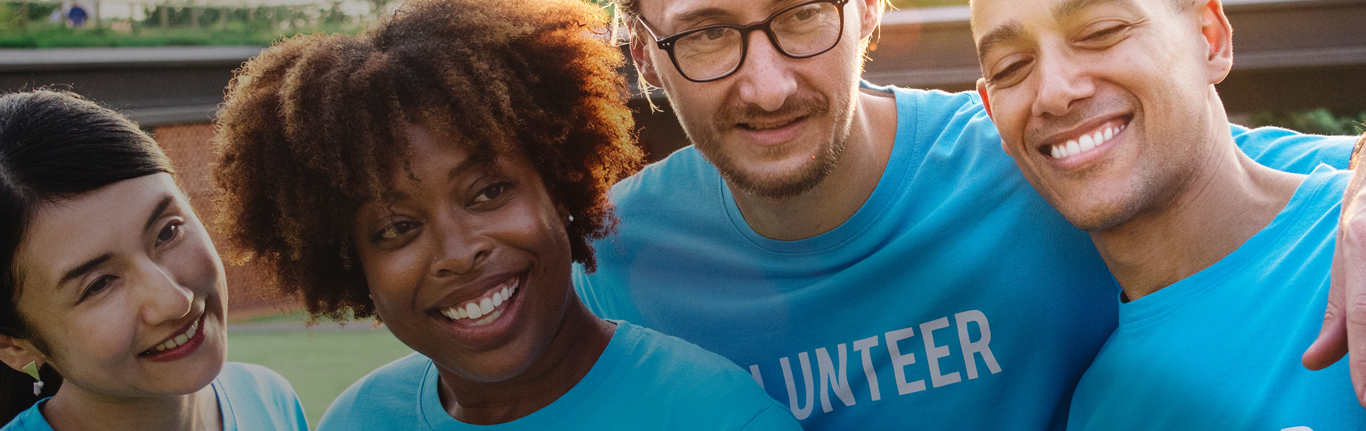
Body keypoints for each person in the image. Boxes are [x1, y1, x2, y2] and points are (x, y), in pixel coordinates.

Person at [573, 0, 1363, 429]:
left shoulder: (1032, 157)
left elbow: (1241, 174)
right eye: (708, 34)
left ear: (870, 10)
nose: (768, 84)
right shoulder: (607, 259)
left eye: (804, 12)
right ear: (646, 55)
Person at [210, 0, 802, 429]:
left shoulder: (718, 416)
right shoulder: (358, 421)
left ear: (561, 186)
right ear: (349, 265)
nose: (457, 250)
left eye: (489, 192)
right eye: (397, 228)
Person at [970, 0, 1366, 427]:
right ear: (993, 115)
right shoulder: (1097, 413)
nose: (1054, 92)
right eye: (1010, 67)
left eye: (1101, 32)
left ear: (1209, 39)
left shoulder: (1352, 247)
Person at [0, 90, 308, 431]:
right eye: (99, 284)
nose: (175, 301)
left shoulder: (268, 399)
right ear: (13, 345)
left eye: (168, 232)